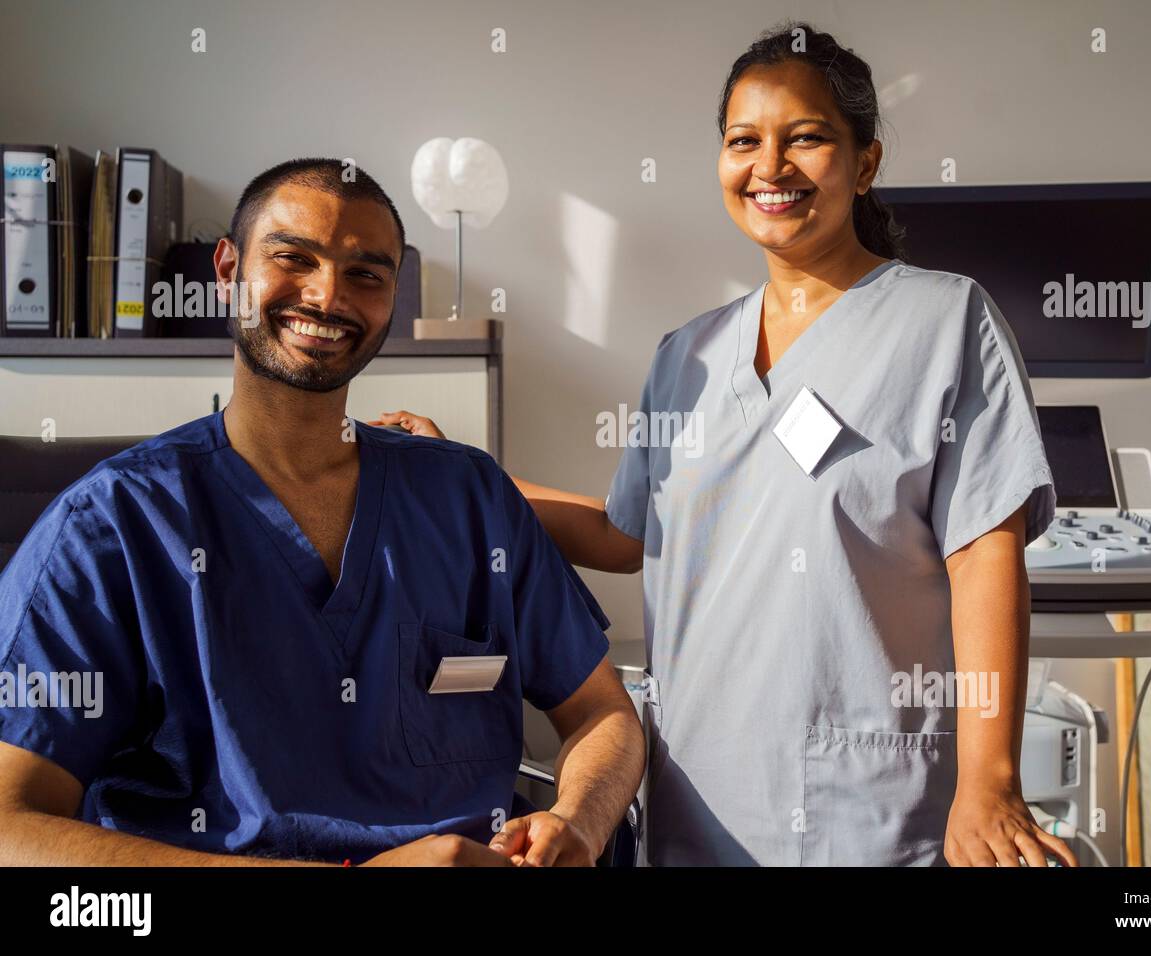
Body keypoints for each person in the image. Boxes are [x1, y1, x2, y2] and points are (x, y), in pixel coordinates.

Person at [376, 23, 1078, 867]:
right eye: (744, 141)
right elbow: (628, 535)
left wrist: (988, 782)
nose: (770, 167)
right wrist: (464, 473)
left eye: (806, 137)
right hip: (700, 804)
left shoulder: (944, 321)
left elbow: (984, 556)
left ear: (864, 163)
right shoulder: (689, 353)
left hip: (878, 811)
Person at [0, 158, 644, 867]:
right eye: (293, 258)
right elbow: (12, 826)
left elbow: (603, 713)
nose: (327, 295)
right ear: (226, 271)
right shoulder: (112, 524)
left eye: (365, 274)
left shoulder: (469, 499)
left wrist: (579, 822)